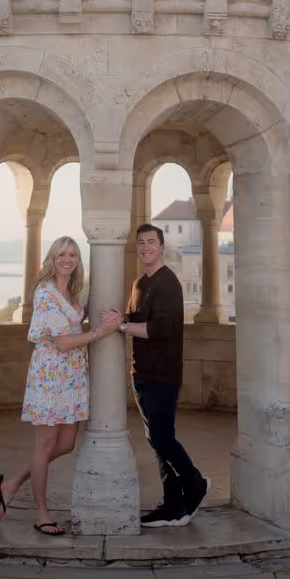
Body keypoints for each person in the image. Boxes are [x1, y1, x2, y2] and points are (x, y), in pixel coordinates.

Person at [0, 235, 120, 536]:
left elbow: (76, 319)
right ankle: (41, 514)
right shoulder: (45, 292)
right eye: (62, 253)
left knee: (65, 444)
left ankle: (11, 484)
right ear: (52, 259)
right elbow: (62, 343)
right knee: (45, 445)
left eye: (73, 254)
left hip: (73, 377)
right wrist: (100, 333)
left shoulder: (73, 293)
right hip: (51, 375)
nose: (67, 259)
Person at [105, 222, 209, 527]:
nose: (145, 247)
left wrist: (121, 327)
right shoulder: (139, 284)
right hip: (142, 374)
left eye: (151, 242)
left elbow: (159, 329)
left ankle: (195, 483)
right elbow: (134, 318)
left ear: (162, 246)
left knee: (163, 439)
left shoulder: (168, 283)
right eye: (141, 243)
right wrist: (115, 318)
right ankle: (173, 504)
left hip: (163, 375)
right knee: (157, 441)